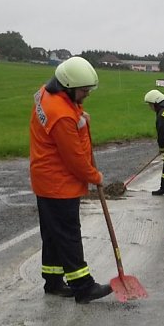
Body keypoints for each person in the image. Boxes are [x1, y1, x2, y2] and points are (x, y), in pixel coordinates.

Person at [29, 56, 112, 304]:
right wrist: (95, 176)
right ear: (68, 86)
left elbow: (68, 110)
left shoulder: (47, 93)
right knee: (68, 235)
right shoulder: (62, 116)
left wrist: (79, 115)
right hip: (59, 183)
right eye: (84, 90)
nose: (87, 94)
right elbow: (75, 159)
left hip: (45, 178)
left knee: (53, 235)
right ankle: (83, 287)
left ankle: (53, 281)